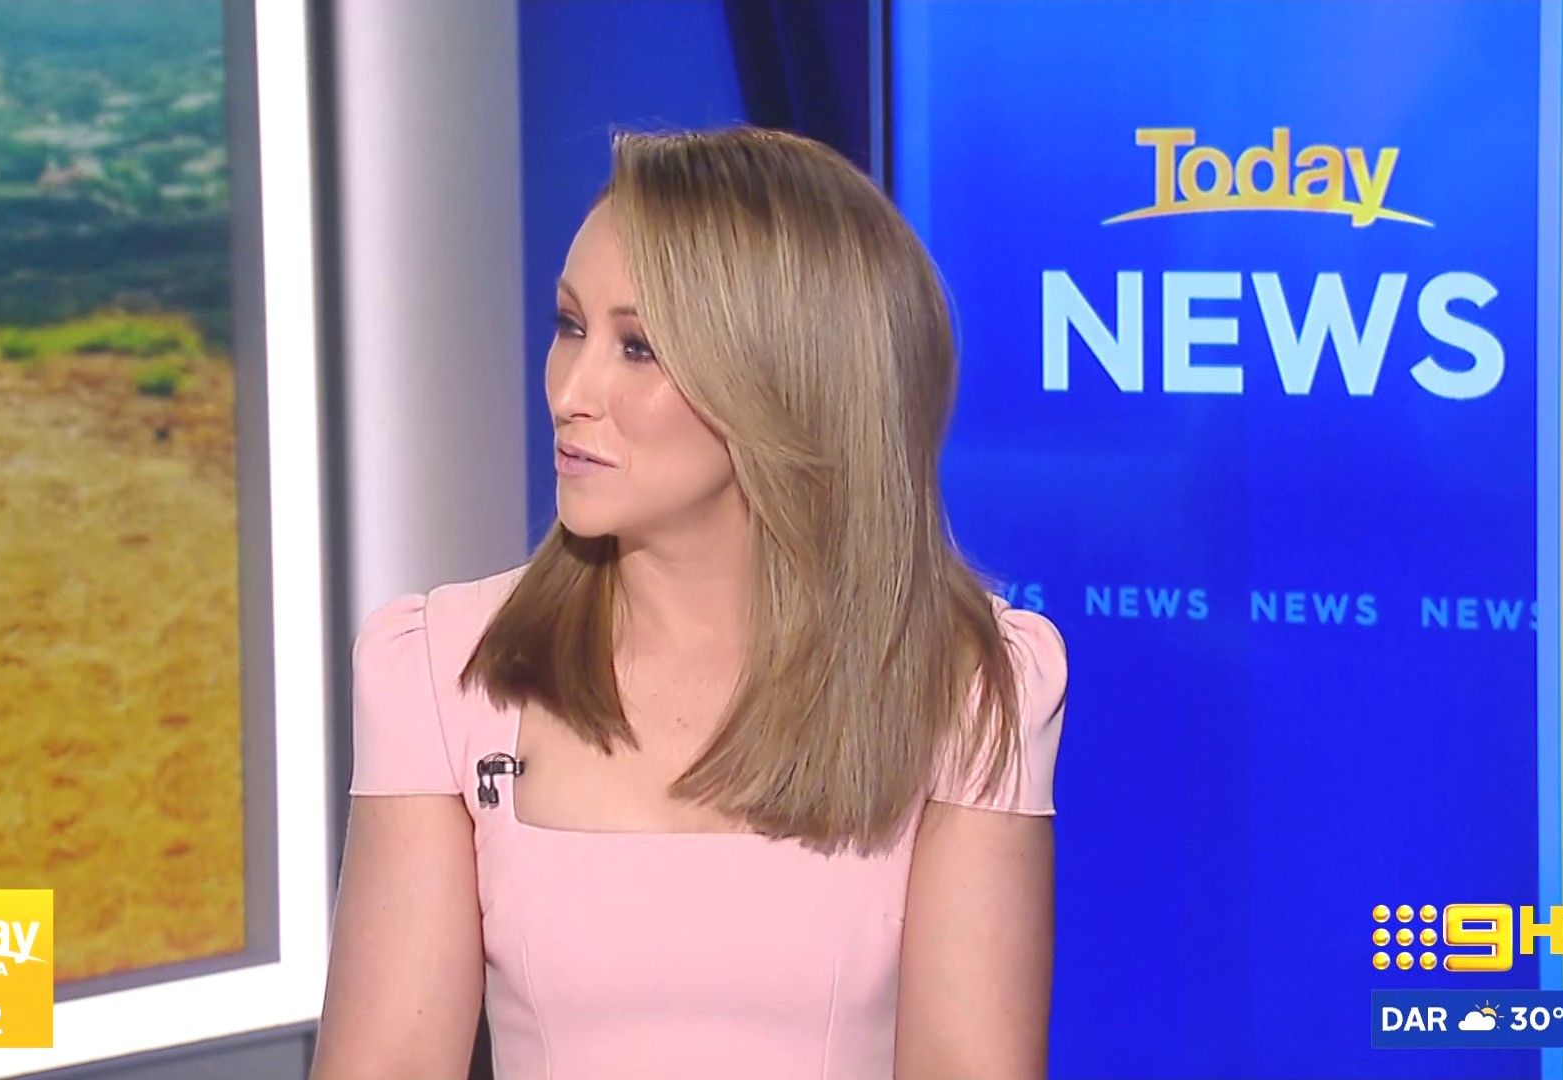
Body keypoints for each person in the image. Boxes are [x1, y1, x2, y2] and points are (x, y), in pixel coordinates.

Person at [311, 125, 1068, 1080]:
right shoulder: (443, 671)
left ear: (784, 381)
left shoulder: (968, 688)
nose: (570, 391)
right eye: (571, 326)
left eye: (638, 347)